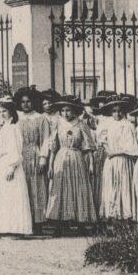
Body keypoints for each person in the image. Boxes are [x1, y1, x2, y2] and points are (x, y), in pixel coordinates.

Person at [43, 96, 96, 235]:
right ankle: (61, 223)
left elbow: (88, 146)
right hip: (61, 158)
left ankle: (81, 222)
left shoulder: (81, 124)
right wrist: (50, 166)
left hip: (76, 158)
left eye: (68, 110)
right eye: (63, 110)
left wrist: (90, 164)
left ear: (75, 111)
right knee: (61, 188)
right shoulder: (58, 124)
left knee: (78, 188)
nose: (65, 113)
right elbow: (53, 147)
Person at [0, 98, 33, 237]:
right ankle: (3, 227)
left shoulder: (13, 127)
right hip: (0, 165)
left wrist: (12, 167)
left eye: (4, 111)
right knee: (3, 197)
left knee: (12, 196)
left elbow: (16, 149)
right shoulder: (4, 128)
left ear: (11, 111)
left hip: (9, 165)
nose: (2, 114)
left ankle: (15, 228)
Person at [96, 95, 138, 224]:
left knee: (123, 187)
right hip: (110, 161)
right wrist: (106, 147)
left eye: (120, 110)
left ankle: (124, 218)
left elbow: (132, 148)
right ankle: (112, 217)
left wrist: (116, 151)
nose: (117, 114)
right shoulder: (107, 125)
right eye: (114, 111)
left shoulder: (128, 126)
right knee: (111, 187)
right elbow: (101, 141)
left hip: (123, 160)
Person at [13, 86, 51, 233]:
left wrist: (43, 158)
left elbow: (45, 139)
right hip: (20, 155)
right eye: (23, 102)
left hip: (35, 154)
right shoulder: (16, 118)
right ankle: (23, 222)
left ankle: (38, 224)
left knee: (36, 187)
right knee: (21, 187)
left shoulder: (41, 118)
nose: (26, 105)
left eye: (28, 101)